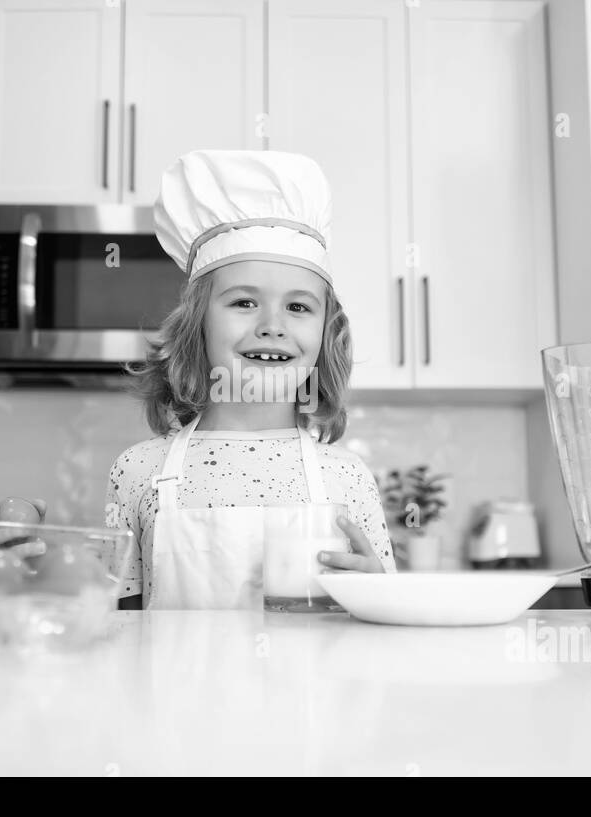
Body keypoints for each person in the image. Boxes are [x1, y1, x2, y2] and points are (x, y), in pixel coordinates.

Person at [104, 149, 396, 609]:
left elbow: (385, 633)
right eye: (244, 302)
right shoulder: (139, 472)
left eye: (298, 307)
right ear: (196, 323)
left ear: (326, 332)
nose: (272, 325)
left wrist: (377, 593)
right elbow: (114, 628)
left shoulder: (347, 477)